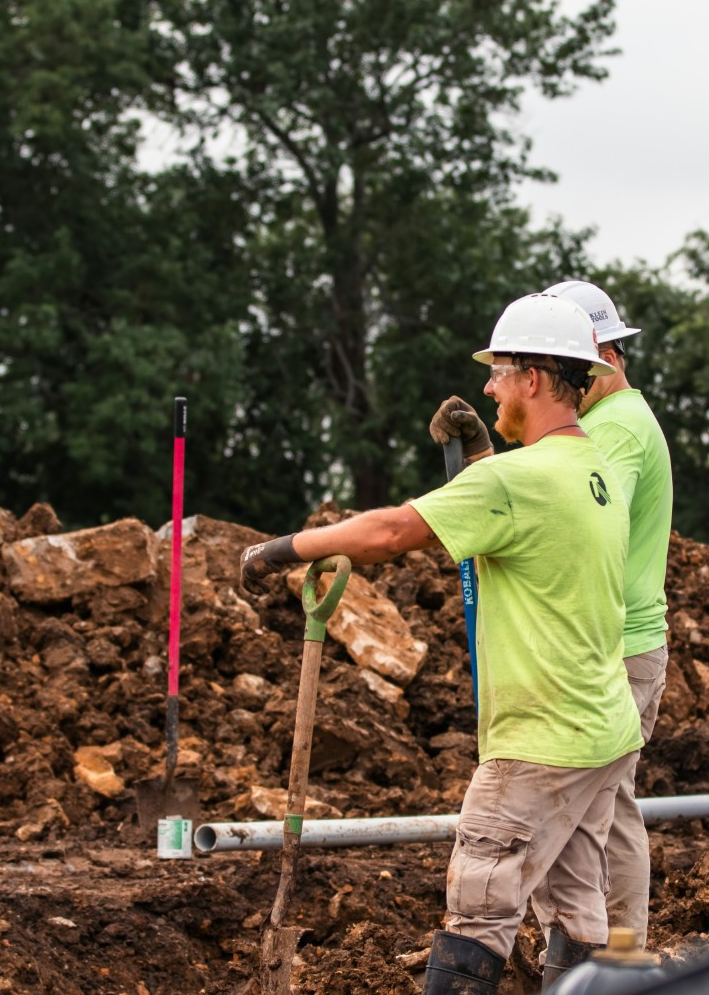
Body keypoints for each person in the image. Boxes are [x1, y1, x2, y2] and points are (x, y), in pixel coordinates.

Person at [241, 293, 644, 993]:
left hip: (538, 745)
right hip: (603, 734)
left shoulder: (516, 482)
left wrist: (279, 551)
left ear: (536, 379)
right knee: (579, 913)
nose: (487, 386)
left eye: (499, 371)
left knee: (479, 911)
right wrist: (483, 457)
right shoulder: (597, 469)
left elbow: (393, 532)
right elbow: (521, 512)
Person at [429, 280, 673, 949]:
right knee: (599, 812)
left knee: (605, 817)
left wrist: (485, 473)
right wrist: (487, 464)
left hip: (606, 646)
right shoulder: (605, 425)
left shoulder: (616, 427)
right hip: (606, 643)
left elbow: (575, 516)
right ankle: (601, 961)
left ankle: (619, 965)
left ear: (599, 356)